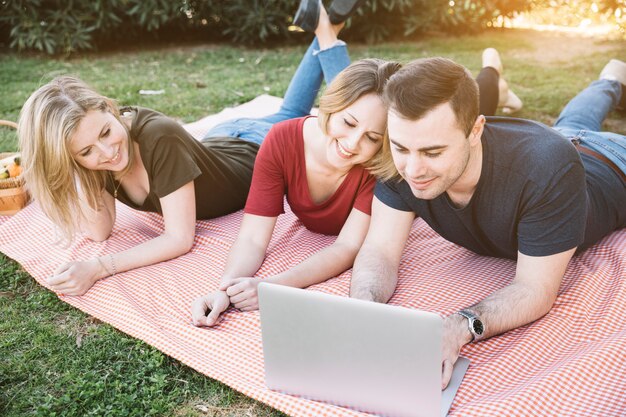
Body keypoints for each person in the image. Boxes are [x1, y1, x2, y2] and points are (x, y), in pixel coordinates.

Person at [190, 2, 522, 327]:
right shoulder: (281, 140)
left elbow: (348, 247)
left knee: (471, 114)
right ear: (329, 107)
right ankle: (327, 30)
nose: (353, 145)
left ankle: (492, 73)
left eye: (373, 137)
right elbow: (251, 239)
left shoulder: (379, 166)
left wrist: (275, 286)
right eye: (348, 123)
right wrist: (225, 288)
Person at [15, 0, 366, 297]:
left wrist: (98, 268)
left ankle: (323, 30)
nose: (107, 153)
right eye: (86, 152)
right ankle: (326, 25)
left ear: (108, 107)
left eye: (107, 132)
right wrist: (80, 168)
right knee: (289, 113)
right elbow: (99, 230)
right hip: (223, 135)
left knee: (347, 119)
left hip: (253, 149)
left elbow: (179, 238)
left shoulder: (158, 137)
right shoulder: (97, 155)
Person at [349, 55, 626, 389]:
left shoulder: (547, 170)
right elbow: (379, 248)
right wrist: (363, 311)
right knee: (573, 121)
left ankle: (611, 83)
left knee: (577, 131)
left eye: (433, 153)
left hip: (612, 161)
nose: (413, 170)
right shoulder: (404, 159)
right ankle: (610, 79)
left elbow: (534, 289)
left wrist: (458, 326)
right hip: (558, 138)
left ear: (475, 130)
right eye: (400, 148)